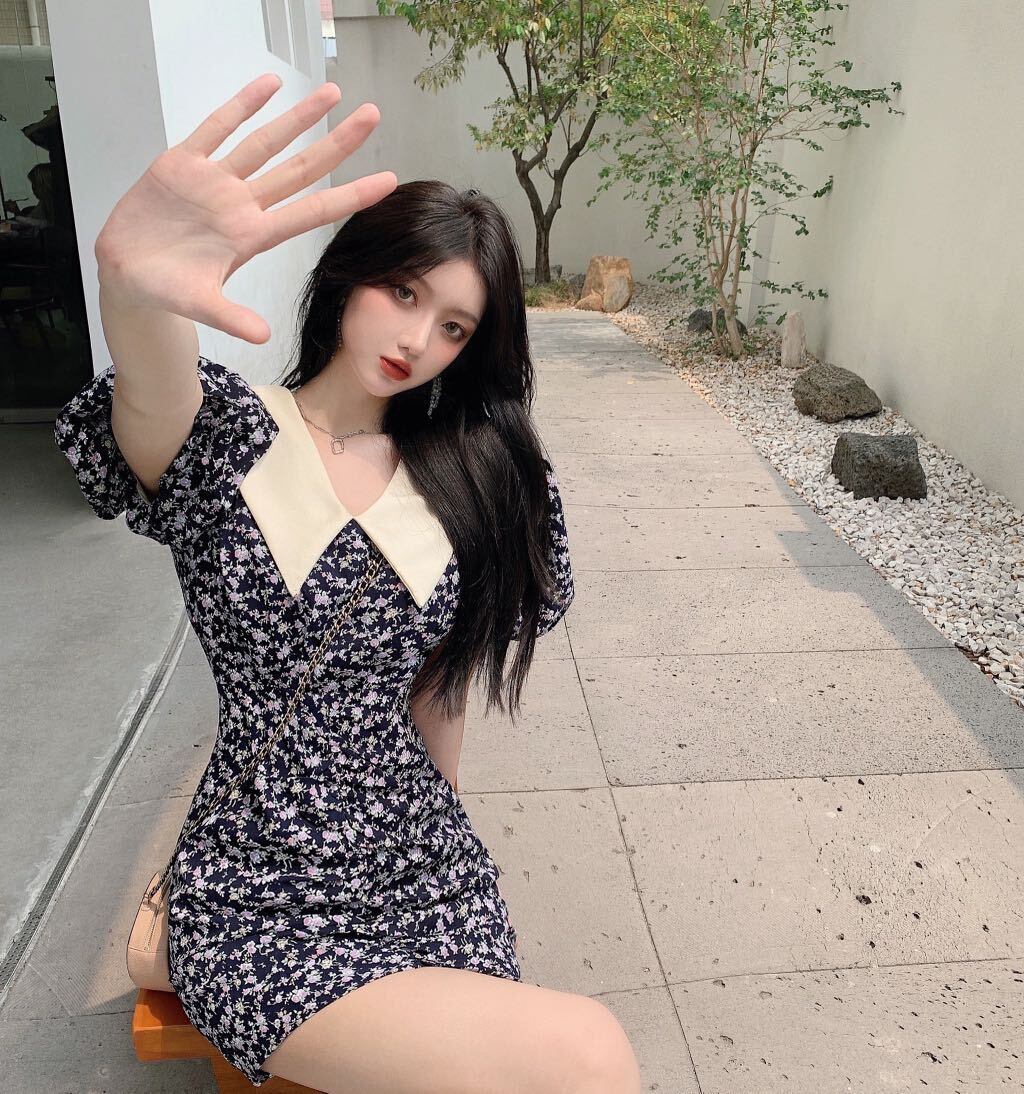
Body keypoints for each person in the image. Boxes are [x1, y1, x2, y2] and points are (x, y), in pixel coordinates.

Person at [52, 74, 641, 1093]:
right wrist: (131, 287)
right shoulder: (228, 438)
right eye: (404, 293)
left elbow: (440, 689)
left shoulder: (467, 472)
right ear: (350, 277)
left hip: (418, 859)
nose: (417, 340)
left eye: (454, 327)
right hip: (260, 882)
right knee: (584, 1052)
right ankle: (194, 939)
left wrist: (451, 847)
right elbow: (152, 384)